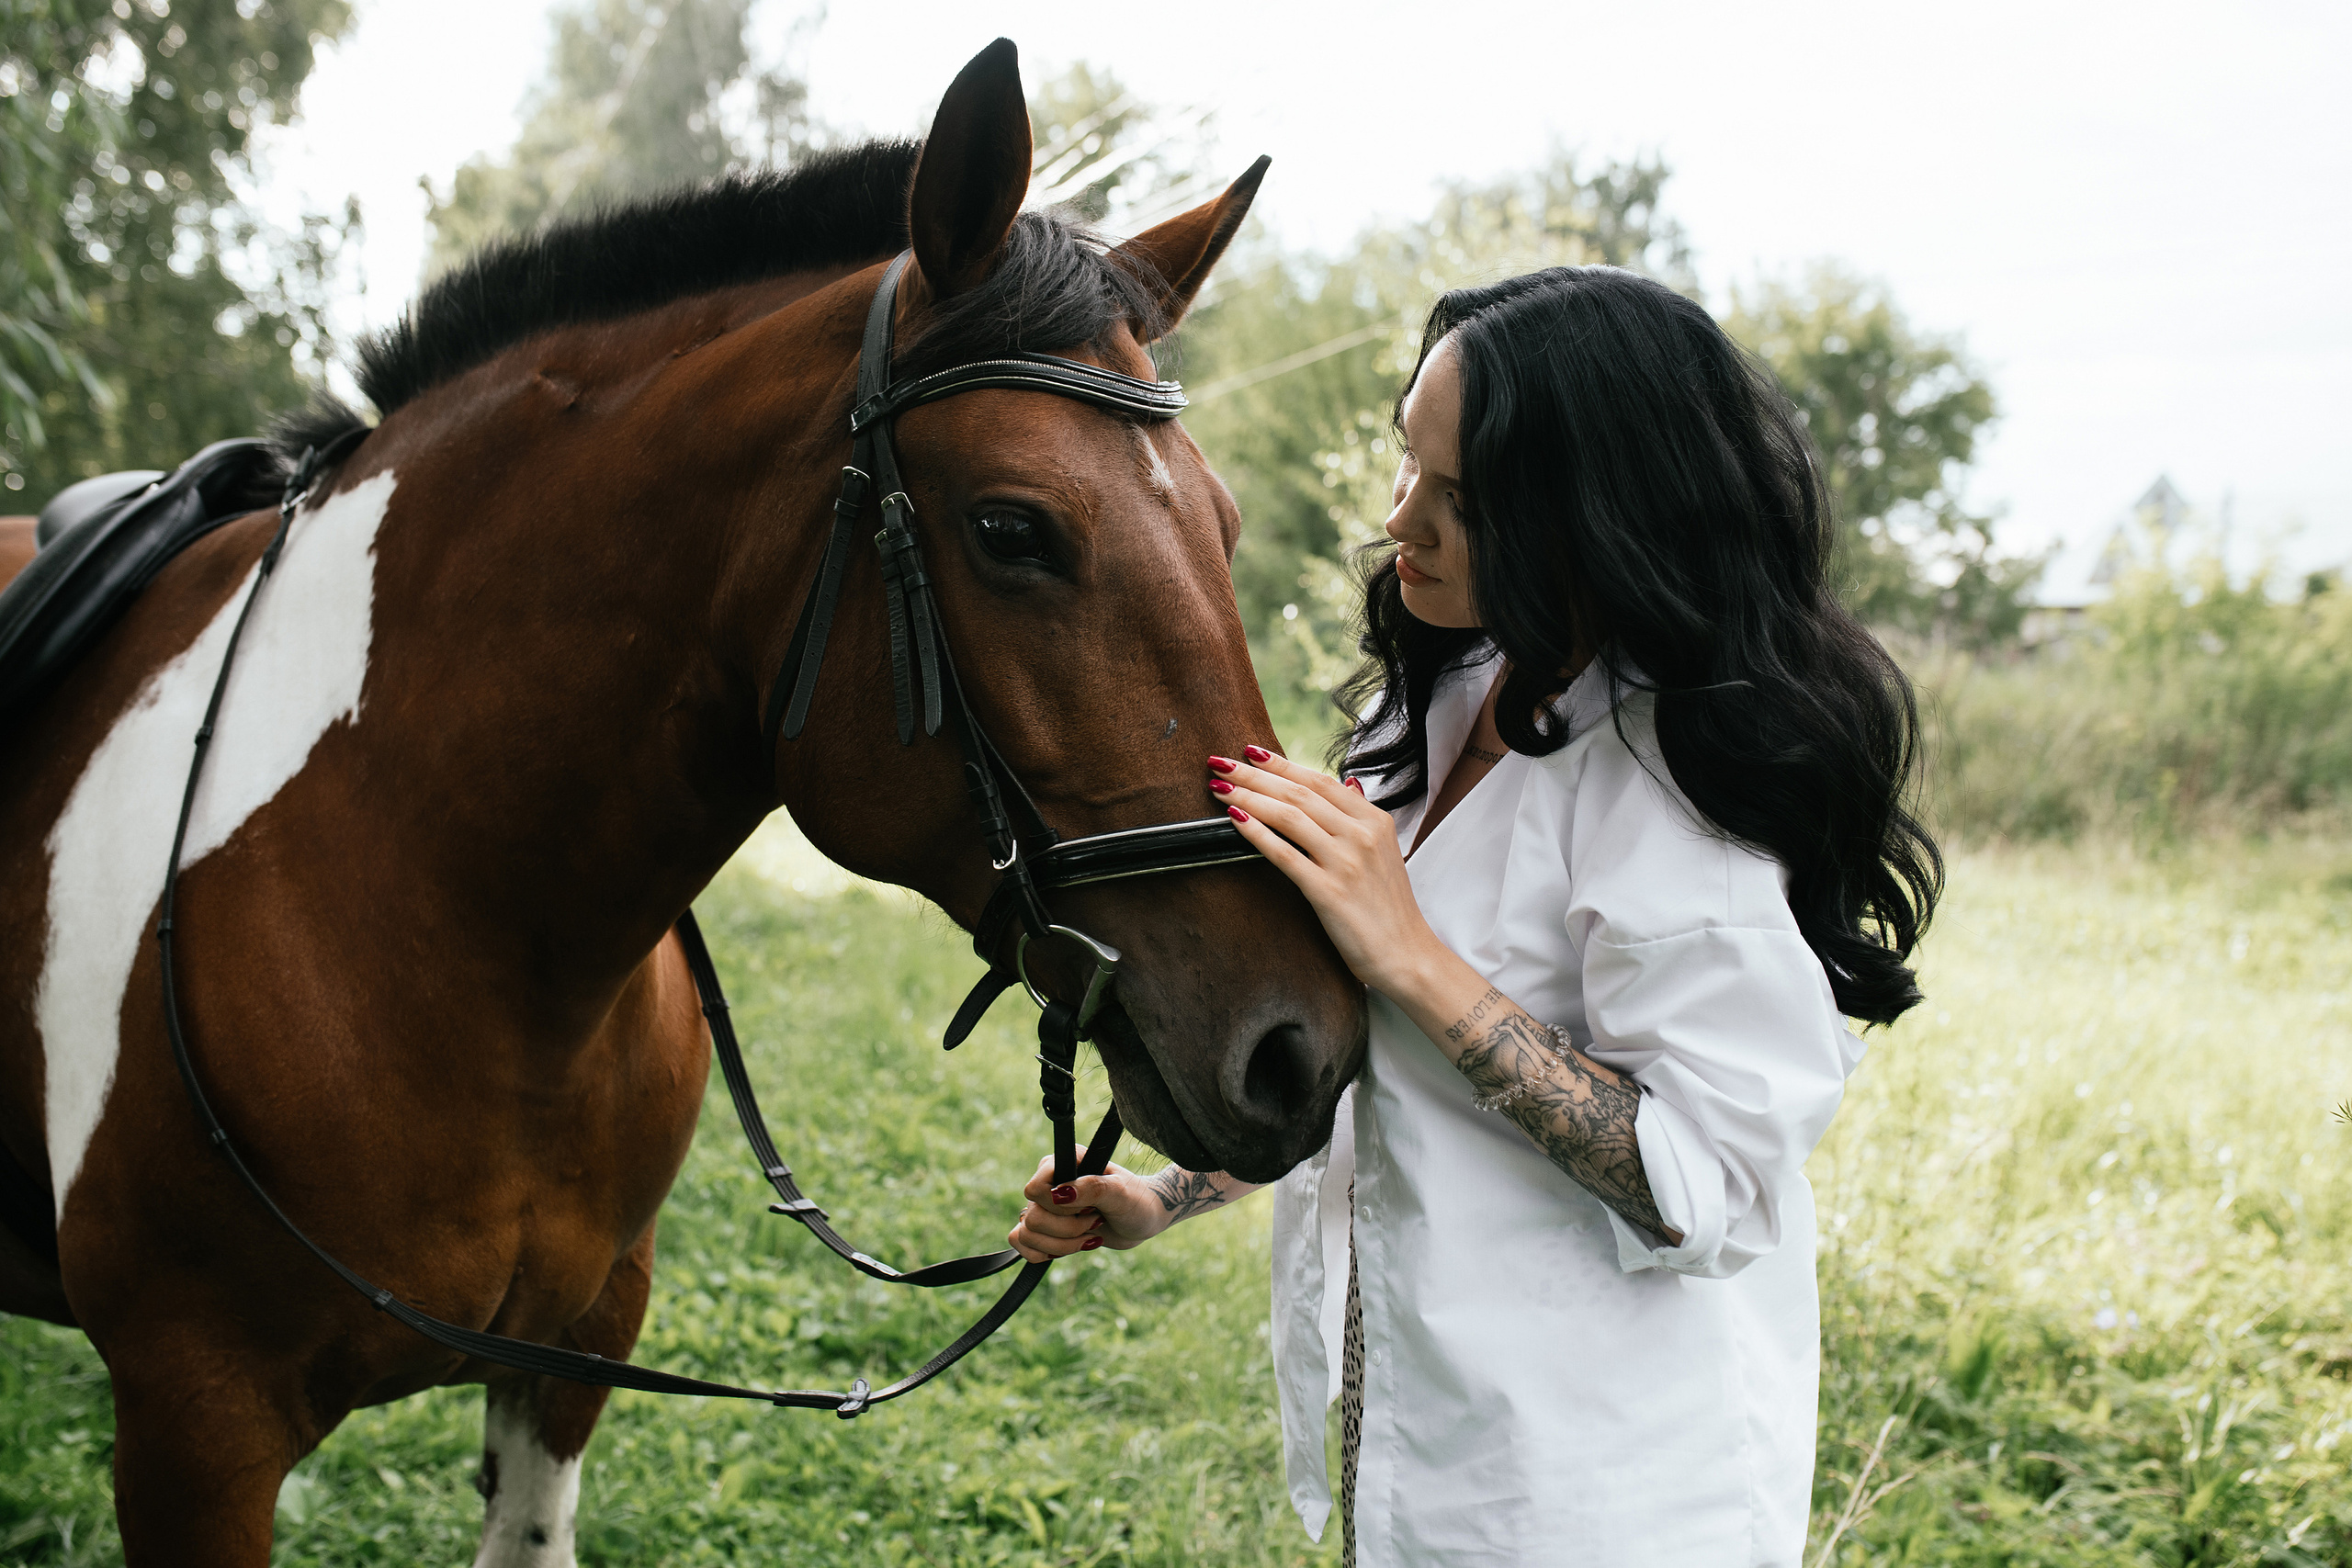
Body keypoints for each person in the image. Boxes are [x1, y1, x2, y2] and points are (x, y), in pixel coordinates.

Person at [1008, 265, 1941, 1566]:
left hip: (1601, 1492)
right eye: (1409, 465)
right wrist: (1167, 1195)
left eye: (1464, 500)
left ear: (1596, 513)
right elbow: (1382, 1062)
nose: (1404, 522)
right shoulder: (1447, 703)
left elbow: (1709, 1187)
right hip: (1425, 1445)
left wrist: (1410, 953)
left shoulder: (1679, 792)